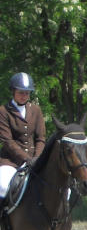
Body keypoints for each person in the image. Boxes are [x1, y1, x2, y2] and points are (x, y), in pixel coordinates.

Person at [0, 72, 46, 208]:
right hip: (10, 162)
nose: (24, 96)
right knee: (2, 185)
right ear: (13, 91)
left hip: (34, 160)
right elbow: (8, 142)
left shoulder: (36, 110)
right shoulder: (4, 111)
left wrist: (37, 158)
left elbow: (41, 138)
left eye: (27, 93)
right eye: (21, 92)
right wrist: (27, 159)